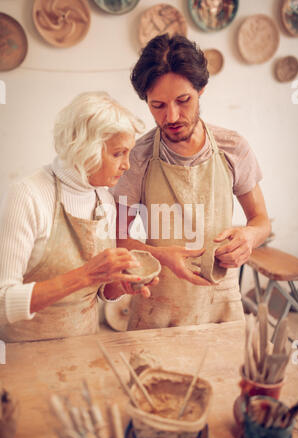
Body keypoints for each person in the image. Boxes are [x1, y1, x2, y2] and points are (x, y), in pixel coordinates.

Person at [112, 34, 271, 330]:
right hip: (158, 305)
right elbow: (117, 238)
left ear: (201, 90)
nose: (171, 116)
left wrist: (249, 237)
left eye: (183, 100)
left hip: (219, 302)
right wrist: (161, 255)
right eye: (157, 105)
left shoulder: (232, 147)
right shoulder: (138, 156)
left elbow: (260, 220)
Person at [0, 91, 158, 342]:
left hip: (84, 349)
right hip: (26, 355)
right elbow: (2, 302)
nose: (127, 165)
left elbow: (99, 292)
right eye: (118, 153)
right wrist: (85, 274)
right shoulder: (28, 196)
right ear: (86, 149)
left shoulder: (104, 199)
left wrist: (119, 285)